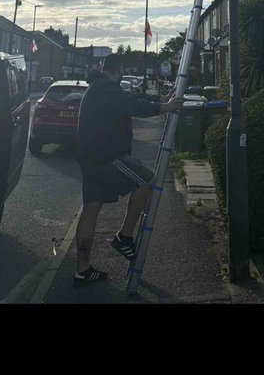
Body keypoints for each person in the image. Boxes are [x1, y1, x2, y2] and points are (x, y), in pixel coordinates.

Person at [73, 53, 182, 287]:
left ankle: (82, 270)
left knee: (90, 210)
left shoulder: (100, 88)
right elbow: (133, 105)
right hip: (105, 158)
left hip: (89, 159)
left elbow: (131, 98)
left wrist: (161, 99)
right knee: (146, 180)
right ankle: (124, 236)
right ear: (120, 69)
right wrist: (166, 106)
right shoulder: (108, 90)